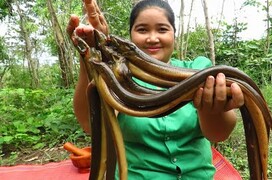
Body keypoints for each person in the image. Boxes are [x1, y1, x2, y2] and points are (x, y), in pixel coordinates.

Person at [67, 0, 244, 179]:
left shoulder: (199, 69)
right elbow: (90, 123)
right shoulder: (118, 77)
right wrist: (90, 54)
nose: (152, 38)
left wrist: (213, 109)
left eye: (162, 29)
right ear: (130, 36)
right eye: (142, 29)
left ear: (174, 33)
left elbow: (219, 133)